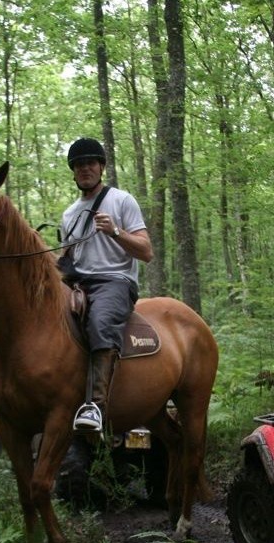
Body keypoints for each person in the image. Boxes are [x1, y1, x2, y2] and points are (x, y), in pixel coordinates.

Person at [59, 137, 153, 433]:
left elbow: (146, 251)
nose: (85, 169)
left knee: (100, 321)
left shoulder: (122, 200)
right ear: (73, 172)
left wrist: (115, 231)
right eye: (79, 165)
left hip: (115, 280)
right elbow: (67, 258)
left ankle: (95, 406)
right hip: (78, 282)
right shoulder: (69, 214)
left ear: (101, 167)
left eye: (90, 163)